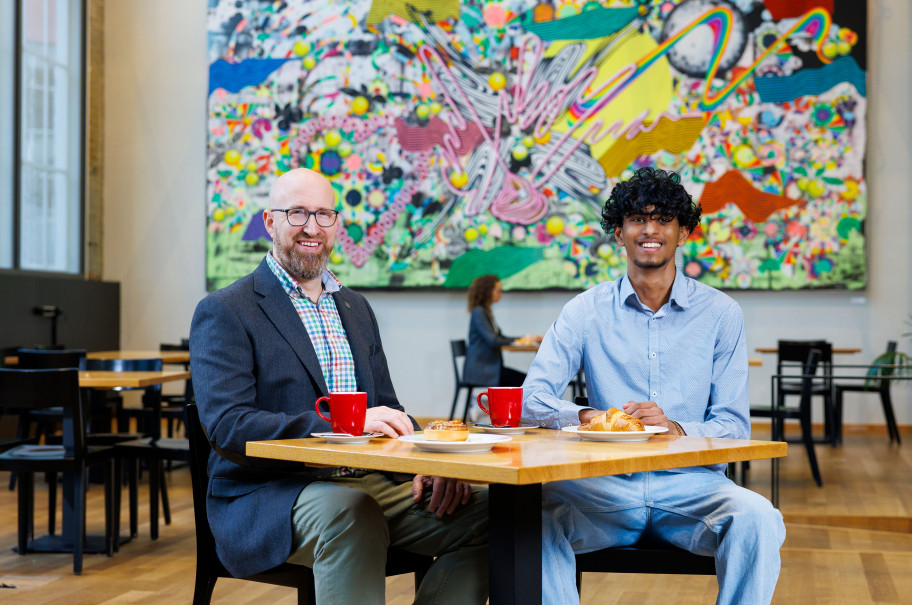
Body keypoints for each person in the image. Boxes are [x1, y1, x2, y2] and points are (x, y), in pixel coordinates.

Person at [190, 167, 488, 605]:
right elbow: (229, 426)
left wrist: (430, 461)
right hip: (270, 494)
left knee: (500, 515)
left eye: (323, 215)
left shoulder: (355, 306)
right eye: (296, 213)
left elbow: (388, 408)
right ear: (270, 222)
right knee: (353, 514)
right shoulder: (226, 310)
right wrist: (346, 425)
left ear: (336, 226)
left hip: (373, 481)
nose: (312, 227)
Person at [522, 167, 785, 605]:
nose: (650, 230)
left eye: (663, 220)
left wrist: (677, 429)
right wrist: (589, 416)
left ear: (683, 233)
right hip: (602, 486)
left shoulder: (721, 314)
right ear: (618, 233)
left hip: (694, 489)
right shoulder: (584, 310)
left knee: (759, 517)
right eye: (637, 219)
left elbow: (734, 426)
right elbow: (532, 399)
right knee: (528, 518)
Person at [464, 274, 540, 388]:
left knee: (528, 381)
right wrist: (521, 340)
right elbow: (493, 341)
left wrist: (523, 339)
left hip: (490, 369)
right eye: (498, 291)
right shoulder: (479, 312)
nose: (501, 294)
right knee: (528, 383)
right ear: (488, 292)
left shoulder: (485, 312)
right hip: (483, 371)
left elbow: (500, 337)